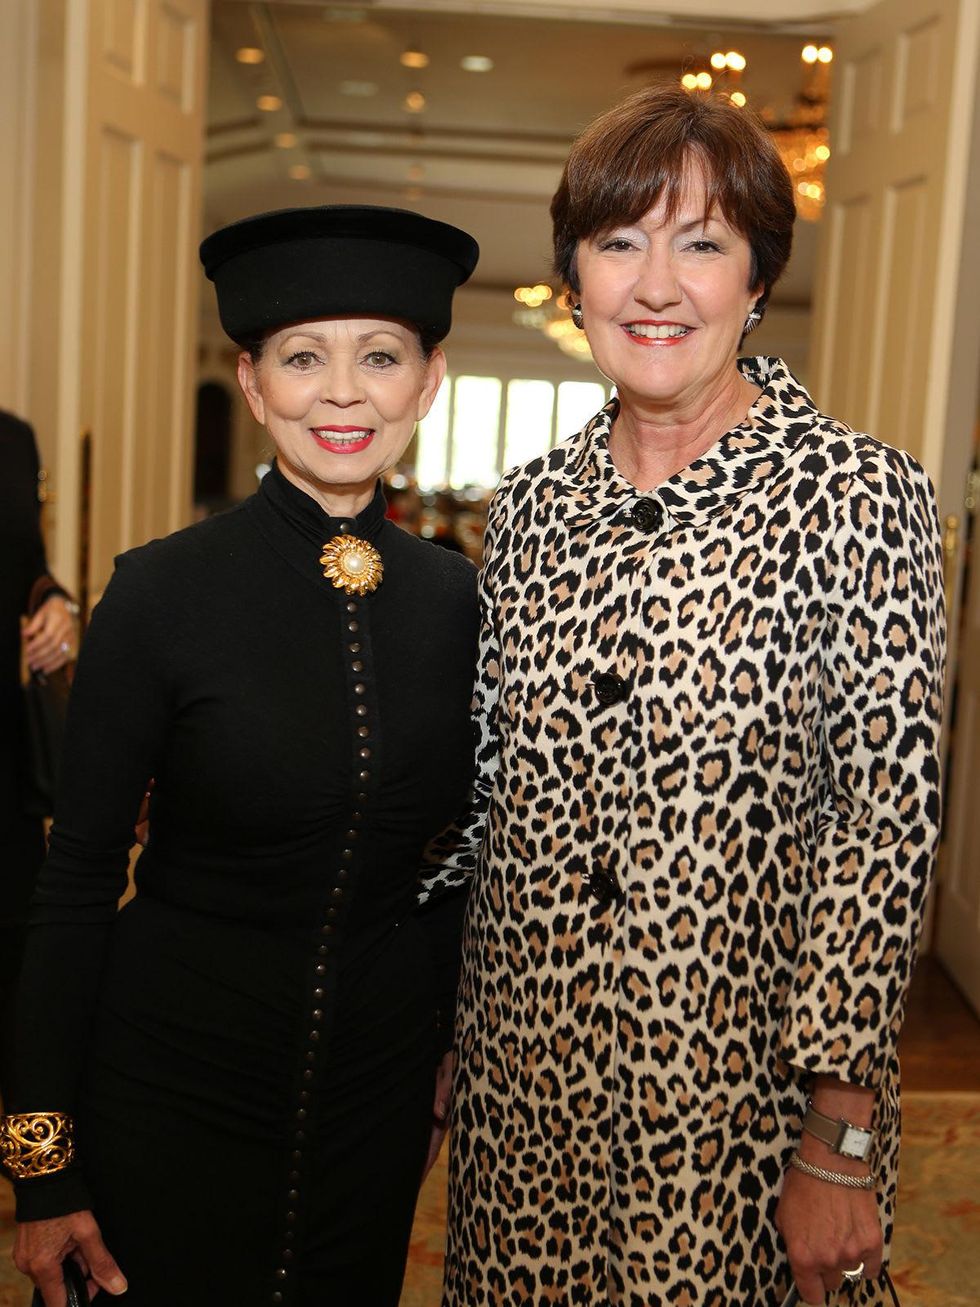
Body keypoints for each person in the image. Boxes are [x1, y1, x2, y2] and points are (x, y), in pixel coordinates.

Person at [427, 87, 946, 1306]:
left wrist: (839, 1138)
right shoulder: (532, 506)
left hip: (737, 1119)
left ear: (756, 277)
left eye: (700, 242)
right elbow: (484, 794)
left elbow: (879, 834)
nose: (655, 285)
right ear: (572, 279)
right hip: (525, 1100)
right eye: (619, 242)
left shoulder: (861, 498)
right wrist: (446, 1029)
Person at [2, 204, 480, 1307]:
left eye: (381, 356)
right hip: (168, 1084)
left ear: (428, 378)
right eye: (304, 358)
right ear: (255, 382)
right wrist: (42, 1165)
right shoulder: (160, 590)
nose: (344, 392)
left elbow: (459, 865)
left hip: (372, 1101)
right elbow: (73, 884)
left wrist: (440, 1071)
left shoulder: (462, 602)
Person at [0, 410, 77, 1099]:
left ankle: (36, 1175)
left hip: (9, 770)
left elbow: (27, 566)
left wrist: (54, 603)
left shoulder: (13, 438)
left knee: (19, 980)